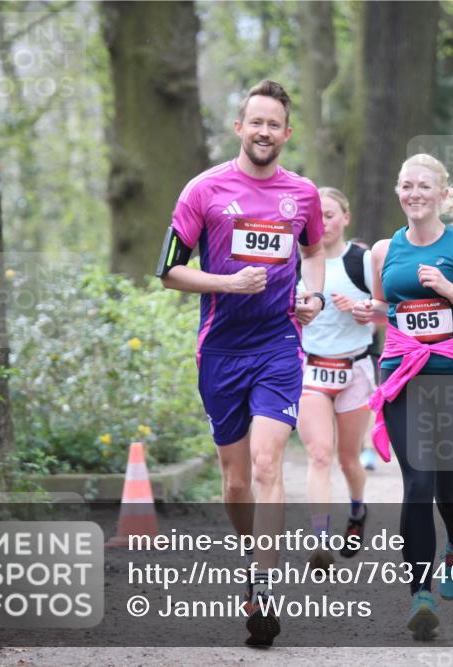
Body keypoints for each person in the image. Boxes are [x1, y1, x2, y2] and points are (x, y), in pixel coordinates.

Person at [156, 79, 324, 647]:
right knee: (234, 484)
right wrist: (227, 283)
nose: (264, 132)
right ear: (239, 127)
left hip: (278, 345)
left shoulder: (302, 194)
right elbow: (169, 271)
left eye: (274, 124)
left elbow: (314, 249)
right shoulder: (203, 190)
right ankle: (254, 551)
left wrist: (315, 296)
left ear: (286, 133)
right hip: (221, 351)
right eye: (256, 122)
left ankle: (262, 582)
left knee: (267, 462)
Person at [351, 153, 453, 640]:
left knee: (446, 489)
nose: (413, 193)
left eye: (423, 186)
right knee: (417, 484)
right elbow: (388, 305)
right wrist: (366, 309)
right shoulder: (382, 250)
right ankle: (420, 594)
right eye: (405, 185)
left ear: (443, 193)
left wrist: (448, 289)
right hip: (403, 375)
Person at [296, 188, 376, 568]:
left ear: (345, 217)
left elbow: (390, 311)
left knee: (348, 459)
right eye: (315, 215)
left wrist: (365, 310)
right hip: (311, 368)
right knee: (319, 454)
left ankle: (358, 510)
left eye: (329, 214)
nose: (322, 222)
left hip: (355, 369)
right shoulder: (296, 263)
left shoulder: (362, 261)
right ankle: (320, 537)